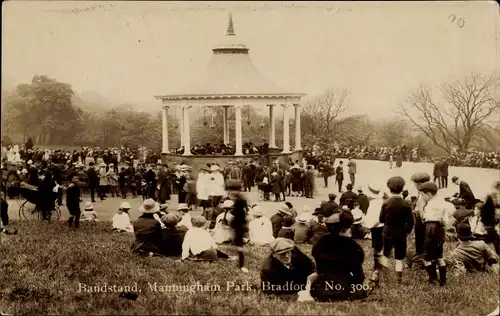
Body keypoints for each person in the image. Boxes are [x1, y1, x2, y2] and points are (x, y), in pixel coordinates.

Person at [303, 211, 370, 302]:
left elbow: (318, 269)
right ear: (343, 230)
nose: (351, 229)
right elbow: (358, 275)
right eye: (349, 227)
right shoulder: (353, 246)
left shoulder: (320, 243)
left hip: (322, 290)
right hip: (346, 290)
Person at [379, 176, 414, 284]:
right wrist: (406, 231)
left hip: (388, 231)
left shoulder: (386, 203)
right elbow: (411, 222)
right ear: (402, 189)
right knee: (399, 257)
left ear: (389, 189)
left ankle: (384, 279)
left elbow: (381, 219)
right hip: (401, 233)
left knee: (385, 254)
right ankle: (398, 280)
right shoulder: (406, 204)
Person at [420, 181, 449, 286]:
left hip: (431, 228)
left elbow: (426, 218)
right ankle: (443, 280)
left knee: (425, 257)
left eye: (422, 194)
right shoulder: (442, 202)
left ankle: (433, 279)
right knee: (439, 256)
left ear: (428, 194)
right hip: (440, 230)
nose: (422, 197)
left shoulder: (431, 204)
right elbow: (445, 220)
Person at [409, 172, 431, 270]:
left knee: (418, 246)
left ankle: (417, 265)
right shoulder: (426, 193)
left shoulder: (423, 196)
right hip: (423, 224)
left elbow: (423, 214)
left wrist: (417, 212)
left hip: (422, 225)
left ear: (419, 184)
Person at [363, 185, 385, 283]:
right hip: (380, 227)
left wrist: (369, 225)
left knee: (377, 247)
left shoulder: (374, 204)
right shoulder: (380, 202)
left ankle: (377, 268)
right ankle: (378, 266)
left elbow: (376, 219)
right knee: (378, 247)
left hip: (377, 227)